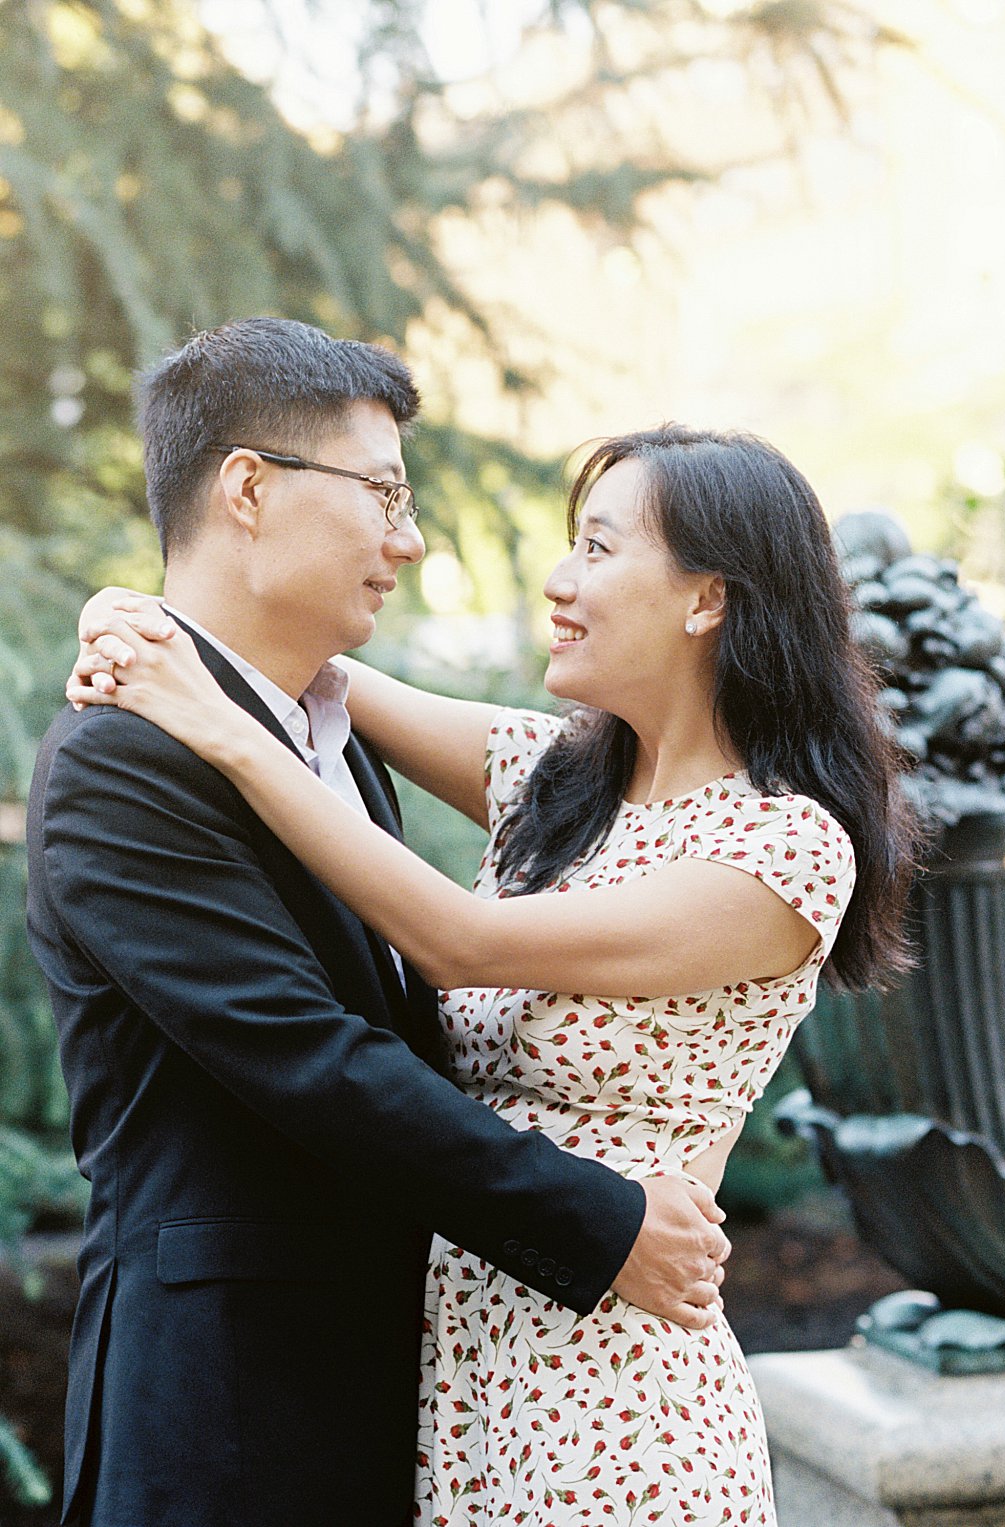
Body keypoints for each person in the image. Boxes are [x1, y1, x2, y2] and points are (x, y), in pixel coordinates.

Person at [71, 412, 917, 1521]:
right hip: (464, 1381)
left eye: (601, 549)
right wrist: (125, 618)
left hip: (617, 1398)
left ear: (707, 599)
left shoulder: (779, 848)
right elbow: (277, 659)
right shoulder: (558, 782)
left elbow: (458, 943)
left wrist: (223, 737)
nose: (559, 581)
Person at [30, 317, 718, 1526]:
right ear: (247, 487)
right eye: (382, 493)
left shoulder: (321, 735)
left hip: (382, 1390)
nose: (407, 540)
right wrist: (601, 1222)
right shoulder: (121, 762)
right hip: (225, 1411)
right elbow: (307, 1056)